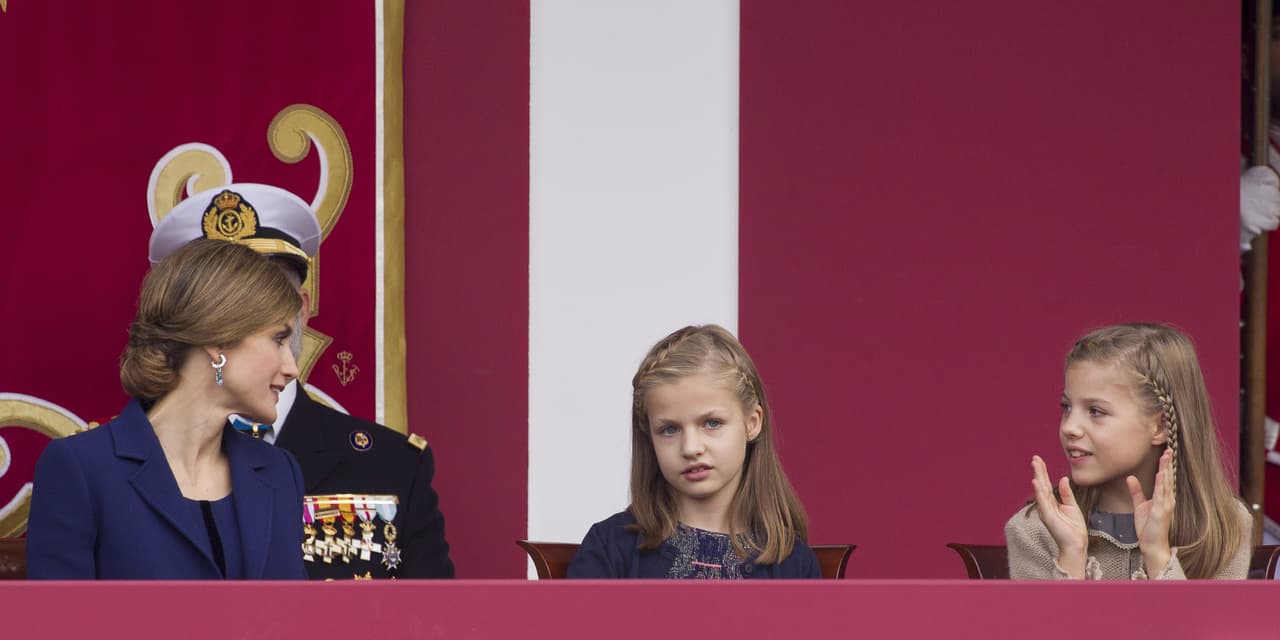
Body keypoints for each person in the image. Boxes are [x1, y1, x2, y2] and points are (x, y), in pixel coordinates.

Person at [149, 183, 453, 579]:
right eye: (229, 304)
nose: (240, 320)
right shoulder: (109, 461)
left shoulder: (393, 465)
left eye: (270, 299)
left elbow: (433, 626)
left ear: (301, 309)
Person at [27, 239, 307, 579]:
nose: (291, 368)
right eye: (278, 339)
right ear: (218, 341)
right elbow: (57, 626)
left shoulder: (279, 471)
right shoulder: (82, 469)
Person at [567, 324, 819, 579]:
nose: (690, 448)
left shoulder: (793, 563)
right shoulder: (609, 548)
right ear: (649, 436)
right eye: (669, 430)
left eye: (712, 423)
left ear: (752, 423)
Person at [1006, 323, 1252, 579]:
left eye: (1096, 411)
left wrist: (1158, 554)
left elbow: (1195, 621)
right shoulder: (1033, 530)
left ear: (1160, 427)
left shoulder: (1224, 527)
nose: (1069, 427)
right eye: (1067, 407)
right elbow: (1046, 621)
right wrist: (1071, 554)